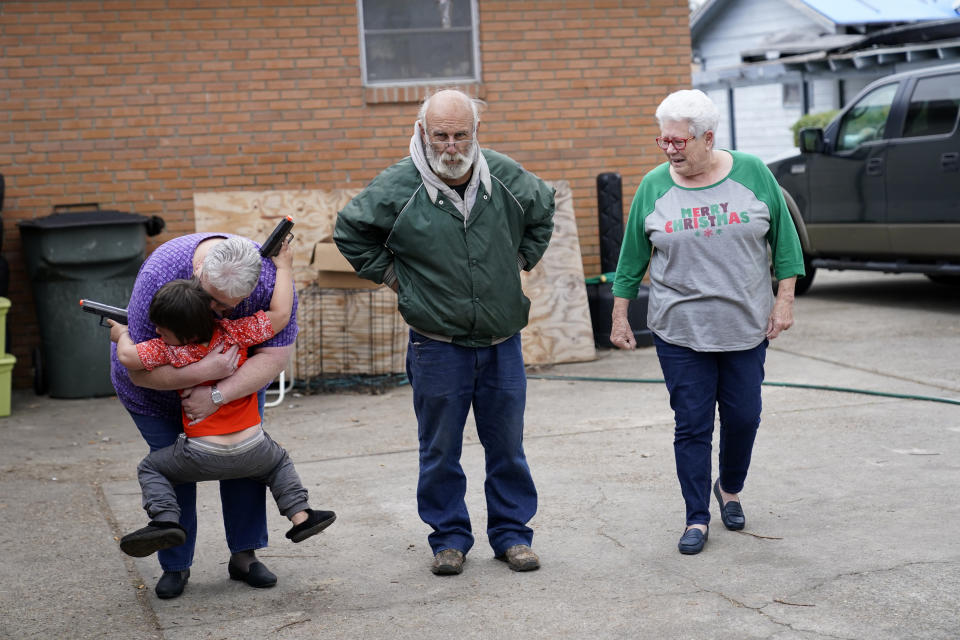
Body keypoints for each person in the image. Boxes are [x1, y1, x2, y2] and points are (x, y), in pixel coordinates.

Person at [334, 89, 555, 575]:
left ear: (476, 133)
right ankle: (449, 539)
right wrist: (396, 280)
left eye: (461, 135)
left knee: (508, 446)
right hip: (436, 345)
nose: (451, 146)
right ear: (421, 132)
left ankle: (513, 535)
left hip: (502, 342)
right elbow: (349, 231)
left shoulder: (506, 175)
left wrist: (520, 260)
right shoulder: (397, 186)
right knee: (439, 450)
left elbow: (544, 210)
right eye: (441, 135)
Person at [610, 89, 805, 555]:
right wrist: (619, 316)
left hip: (744, 326)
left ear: (708, 137)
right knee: (692, 424)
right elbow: (631, 258)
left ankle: (730, 487)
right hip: (679, 330)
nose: (670, 149)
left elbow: (784, 242)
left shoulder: (754, 173)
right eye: (664, 141)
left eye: (679, 141)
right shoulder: (655, 186)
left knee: (744, 417)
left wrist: (785, 300)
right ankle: (695, 516)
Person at [109, 244, 335, 564]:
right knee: (279, 462)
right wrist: (284, 266)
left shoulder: (167, 350)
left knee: (152, 468)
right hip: (253, 447)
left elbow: (129, 358)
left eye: (162, 328)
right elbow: (281, 314)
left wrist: (121, 332)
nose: (156, 331)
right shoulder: (235, 333)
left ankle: (165, 520)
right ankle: (301, 516)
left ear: (177, 332)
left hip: (201, 452)